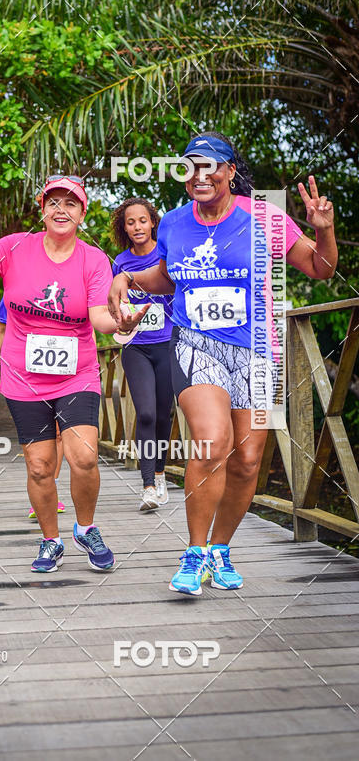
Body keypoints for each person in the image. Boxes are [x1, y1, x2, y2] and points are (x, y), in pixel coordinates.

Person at [108, 132, 337, 595]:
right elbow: (168, 276)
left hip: (259, 349)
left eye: (210, 166)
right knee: (212, 443)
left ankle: (220, 549)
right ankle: (193, 555)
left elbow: (321, 269)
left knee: (248, 460)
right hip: (196, 344)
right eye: (190, 167)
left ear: (231, 171)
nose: (200, 175)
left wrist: (323, 230)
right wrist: (129, 278)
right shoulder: (173, 223)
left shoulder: (264, 217)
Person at [0, 175, 148, 574]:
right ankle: (51, 540)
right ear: (42, 209)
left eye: (71, 203)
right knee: (40, 466)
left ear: (83, 213)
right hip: (23, 377)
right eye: (53, 202)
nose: (61, 209)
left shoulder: (93, 260)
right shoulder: (15, 247)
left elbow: (100, 316)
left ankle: (86, 528)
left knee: (84, 456)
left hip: (76, 374)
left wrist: (121, 322)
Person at [111, 198, 174, 511]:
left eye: (142, 220)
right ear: (124, 228)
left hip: (168, 343)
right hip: (136, 346)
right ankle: (148, 485)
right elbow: (114, 306)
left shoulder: (166, 255)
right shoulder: (120, 263)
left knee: (164, 414)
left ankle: (160, 473)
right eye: (130, 222)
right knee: (146, 413)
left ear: (153, 223)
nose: (137, 227)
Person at [0, 298, 66, 518]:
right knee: (37, 440)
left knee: (59, 434)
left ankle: (52, 489)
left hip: (62, 371)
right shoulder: (16, 289)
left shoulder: (67, 288)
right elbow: (0, 329)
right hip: (25, 376)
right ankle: (41, 489)